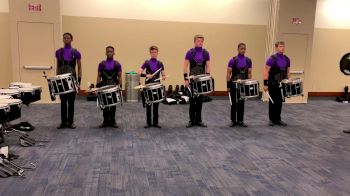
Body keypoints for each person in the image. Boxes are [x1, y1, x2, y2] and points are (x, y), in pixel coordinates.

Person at [55, 33, 82, 129]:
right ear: (63, 39)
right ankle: (63, 122)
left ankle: (70, 122)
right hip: (62, 80)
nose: (66, 39)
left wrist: (79, 81)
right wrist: (56, 80)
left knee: (71, 102)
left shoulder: (76, 52)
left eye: (68, 38)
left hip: (72, 80)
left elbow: (79, 68)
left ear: (71, 39)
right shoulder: (58, 52)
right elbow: (58, 67)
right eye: (64, 38)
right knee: (63, 101)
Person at [184, 35, 211, 128]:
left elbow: (208, 66)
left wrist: (207, 78)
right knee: (192, 101)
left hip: (201, 80)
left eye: (201, 41)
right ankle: (191, 120)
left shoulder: (206, 53)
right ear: (194, 42)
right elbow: (185, 66)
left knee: (199, 101)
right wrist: (186, 79)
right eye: (198, 41)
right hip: (192, 80)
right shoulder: (190, 52)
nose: (200, 42)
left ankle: (199, 120)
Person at [263, 41, 291, 126]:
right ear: (276, 48)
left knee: (280, 102)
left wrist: (288, 81)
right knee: (273, 102)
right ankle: (271, 119)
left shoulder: (287, 59)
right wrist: (265, 84)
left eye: (283, 46)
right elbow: (266, 71)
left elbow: (288, 72)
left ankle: (278, 119)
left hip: (282, 84)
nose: (282, 48)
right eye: (280, 46)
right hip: (273, 83)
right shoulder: (271, 59)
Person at [138, 46, 166, 128]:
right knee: (149, 103)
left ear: (157, 53)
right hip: (148, 86)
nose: (154, 54)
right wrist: (146, 75)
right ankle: (148, 123)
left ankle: (155, 123)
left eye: (155, 52)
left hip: (157, 86)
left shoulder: (160, 63)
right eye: (152, 52)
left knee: (156, 105)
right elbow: (139, 72)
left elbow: (163, 74)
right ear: (150, 53)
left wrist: (163, 77)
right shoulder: (146, 62)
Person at [227, 43, 252, 127]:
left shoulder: (248, 60)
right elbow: (228, 73)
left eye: (244, 48)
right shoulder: (233, 60)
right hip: (233, 84)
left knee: (241, 102)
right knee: (234, 103)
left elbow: (249, 73)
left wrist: (248, 84)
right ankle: (233, 120)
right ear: (237, 49)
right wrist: (228, 85)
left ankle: (240, 120)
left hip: (243, 85)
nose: (243, 50)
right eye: (241, 48)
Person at [96, 46, 122, 128]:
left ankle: (113, 121)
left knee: (113, 104)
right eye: (108, 51)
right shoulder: (101, 64)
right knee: (105, 104)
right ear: (105, 53)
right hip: (104, 86)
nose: (109, 53)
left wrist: (120, 87)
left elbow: (120, 76)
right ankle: (105, 121)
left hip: (113, 86)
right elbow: (98, 76)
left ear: (114, 53)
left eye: (111, 51)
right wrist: (98, 87)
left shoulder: (117, 64)